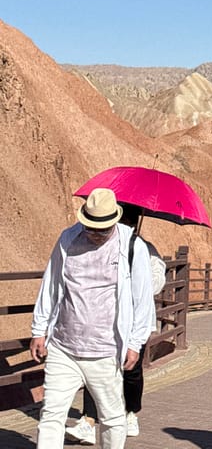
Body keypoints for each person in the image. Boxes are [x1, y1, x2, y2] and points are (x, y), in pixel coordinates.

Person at [30, 188, 155, 449]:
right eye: (91, 228)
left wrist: (135, 343)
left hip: (106, 350)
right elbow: (51, 285)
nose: (96, 235)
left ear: (114, 221)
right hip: (64, 348)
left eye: (103, 229)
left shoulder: (132, 246)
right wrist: (39, 329)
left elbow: (142, 300)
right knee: (51, 415)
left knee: (112, 418)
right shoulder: (68, 239)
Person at [66, 204, 167, 444]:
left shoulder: (144, 249)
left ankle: (130, 412)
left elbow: (156, 283)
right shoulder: (101, 248)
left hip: (133, 323)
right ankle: (89, 421)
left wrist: (131, 281)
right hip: (105, 321)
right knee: (96, 368)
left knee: (131, 371)